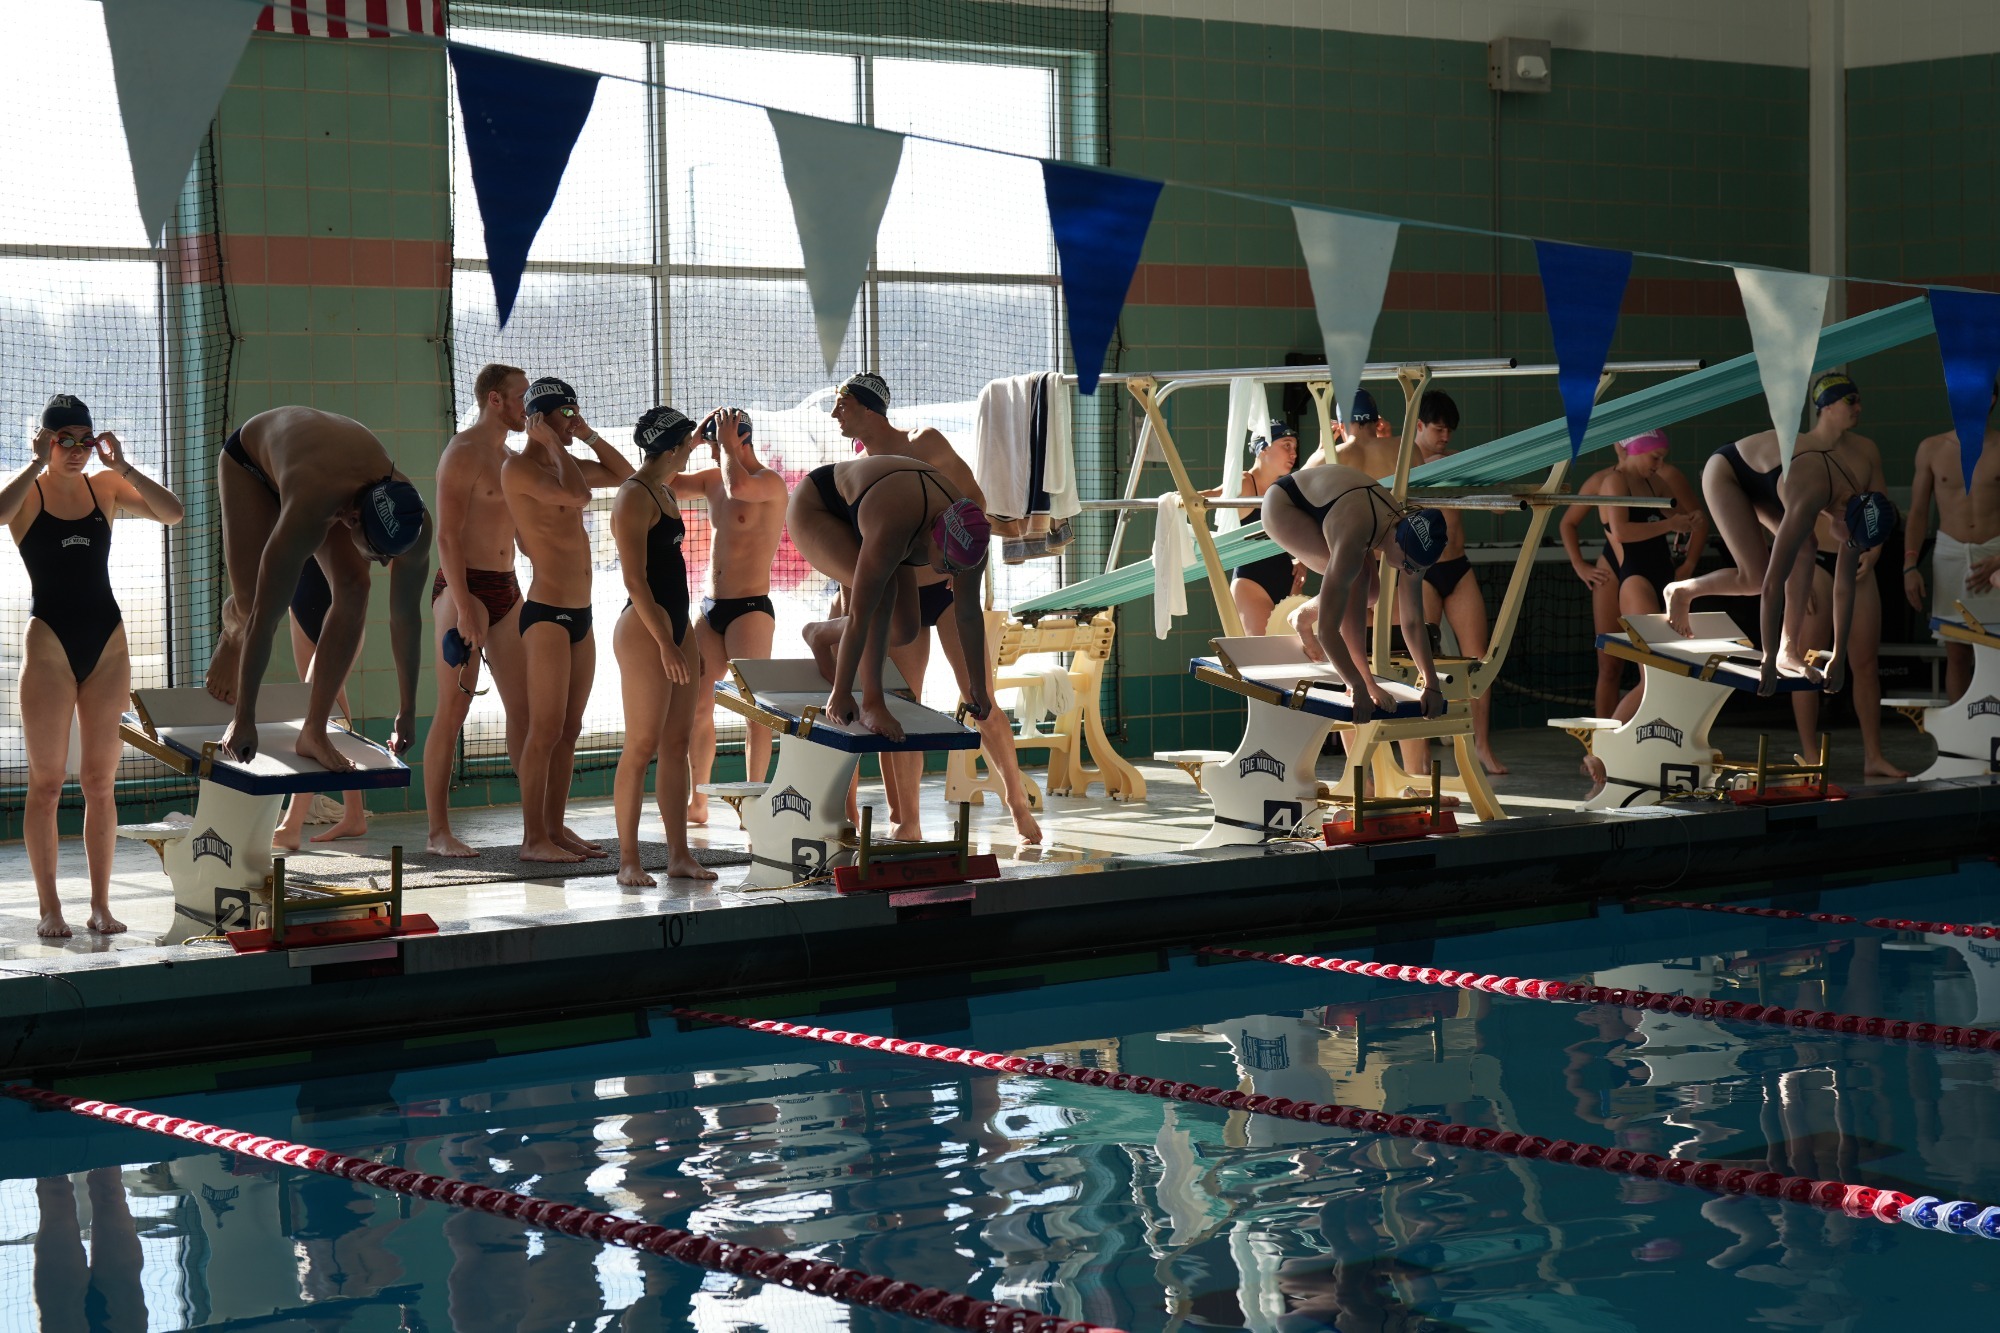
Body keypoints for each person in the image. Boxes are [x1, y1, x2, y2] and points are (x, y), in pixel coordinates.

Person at [1, 395, 183, 937]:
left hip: (108, 644)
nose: (78, 450)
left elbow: (172, 513)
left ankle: (101, 905)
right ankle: (49, 908)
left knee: (101, 782)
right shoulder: (28, 492)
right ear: (45, 441)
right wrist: (34, 463)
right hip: (49, 645)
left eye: (86, 439)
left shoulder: (104, 486)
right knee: (47, 784)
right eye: (65, 440)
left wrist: (122, 465)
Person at [835, 373, 1039, 842]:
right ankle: (907, 821)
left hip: (947, 592)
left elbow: (976, 503)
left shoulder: (924, 443)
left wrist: (957, 559)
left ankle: (1016, 799)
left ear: (868, 407)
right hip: (898, 595)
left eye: (842, 404)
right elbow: (856, 554)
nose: (834, 415)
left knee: (980, 699)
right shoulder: (856, 469)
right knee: (901, 709)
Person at [204, 406, 429, 769]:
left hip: (320, 461)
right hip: (252, 464)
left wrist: (408, 709)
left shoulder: (413, 521)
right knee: (251, 605)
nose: (384, 563)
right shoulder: (311, 507)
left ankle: (314, 730)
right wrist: (243, 718)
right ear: (351, 518)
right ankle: (231, 634)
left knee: (355, 587)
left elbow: (406, 618)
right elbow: (266, 616)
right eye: (377, 552)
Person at [502, 377, 636, 863]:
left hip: (581, 613)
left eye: (575, 412)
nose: (572, 421)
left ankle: (556, 830)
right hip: (546, 615)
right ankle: (533, 838)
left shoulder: (567, 463)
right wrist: (554, 446)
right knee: (544, 729)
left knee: (570, 729)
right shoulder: (518, 469)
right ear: (539, 420)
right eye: (565, 414)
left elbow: (625, 475)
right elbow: (578, 497)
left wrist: (589, 435)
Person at [787, 443, 994, 741]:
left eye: (960, 569)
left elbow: (969, 614)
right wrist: (842, 692)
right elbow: (861, 614)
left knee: (904, 628)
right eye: (949, 565)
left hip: (882, 509)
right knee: (882, 596)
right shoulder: (895, 523)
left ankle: (820, 633)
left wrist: (979, 686)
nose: (952, 574)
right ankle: (872, 704)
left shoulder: (971, 539)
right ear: (933, 537)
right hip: (820, 507)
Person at [424, 363, 533, 857]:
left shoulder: (511, 458)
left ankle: (538, 828)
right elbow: (447, 536)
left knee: (525, 710)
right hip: (462, 586)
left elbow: (523, 538)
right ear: (495, 399)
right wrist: (465, 607)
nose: (527, 406)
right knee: (454, 709)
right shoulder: (463, 452)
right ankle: (438, 833)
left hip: (507, 587)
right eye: (521, 397)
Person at [612, 408, 718, 888]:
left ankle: (679, 856)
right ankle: (628, 861)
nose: (689, 450)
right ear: (671, 449)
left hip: (676, 625)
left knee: (677, 743)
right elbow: (635, 581)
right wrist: (665, 643)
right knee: (641, 745)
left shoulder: (664, 489)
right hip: (643, 629)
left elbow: (671, 575)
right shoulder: (634, 495)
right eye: (686, 444)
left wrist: (685, 639)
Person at [1260, 462, 1448, 727]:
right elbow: (1327, 630)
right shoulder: (1355, 532)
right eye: (1408, 565)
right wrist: (1359, 685)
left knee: (1371, 594)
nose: (1410, 572)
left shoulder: (1411, 543)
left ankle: (1302, 616)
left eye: (1417, 568)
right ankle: (1361, 676)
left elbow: (1413, 621)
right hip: (1286, 503)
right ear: (1396, 539)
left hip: (1338, 501)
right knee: (1357, 579)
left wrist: (1431, 683)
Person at [1756, 375, 1899, 714]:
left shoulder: (1866, 450)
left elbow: (1880, 508)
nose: (1859, 407)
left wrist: (1875, 552)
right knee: (1807, 656)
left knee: (1865, 661)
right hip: (1814, 561)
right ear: (1827, 406)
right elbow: (1777, 515)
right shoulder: (1799, 448)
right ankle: (1808, 746)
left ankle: (1872, 746)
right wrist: (1796, 576)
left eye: (1859, 399)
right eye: (1851, 400)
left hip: (1855, 559)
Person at [674, 407, 787, 826]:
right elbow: (663, 482)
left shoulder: (768, 482)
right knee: (697, 707)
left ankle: (752, 804)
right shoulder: (711, 478)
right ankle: (698, 801)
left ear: (739, 440)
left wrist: (725, 447)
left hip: (750, 610)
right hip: (710, 608)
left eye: (718, 442)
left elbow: (737, 485)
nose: (713, 450)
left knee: (754, 712)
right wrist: (690, 444)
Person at [1407, 391, 1506, 774]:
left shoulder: (1454, 461)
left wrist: (1493, 493)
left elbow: (1491, 499)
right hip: (1422, 572)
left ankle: (1482, 746)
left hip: (1458, 568)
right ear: (1419, 426)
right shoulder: (1407, 464)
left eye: (1450, 430)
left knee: (1479, 661)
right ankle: (1419, 756)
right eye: (1438, 429)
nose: (1445, 437)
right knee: (1420, 663)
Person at [1904, 387, 2000, 703]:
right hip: (1950, 555)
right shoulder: (1931, 449)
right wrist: (1909, 565)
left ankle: (1992, 727)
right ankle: (1962, 727)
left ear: (1990, 399)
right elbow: (1918, 513)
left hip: (1995, 553)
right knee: (1957, 652)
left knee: (1995, 651)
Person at [273, 556, 368, 851]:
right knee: (331, 712)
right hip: (299, 605)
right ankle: (354, 814)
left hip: (339, 611)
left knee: (311, 716)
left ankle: (291, 824)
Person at [1600, 429, 1706, 617]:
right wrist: (1670, 525)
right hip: (1637, 579)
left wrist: (1694, 519)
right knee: (1648, 637)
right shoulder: (1614, 481)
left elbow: (1683, 518)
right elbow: (1621, 532)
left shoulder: (1655, 482)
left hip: (1666, 573)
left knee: (1677, 637)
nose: (1660, 464)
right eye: (1655, 457)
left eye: (1663, 458)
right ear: (1636, 451)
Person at [1213, 421, 1304, 635]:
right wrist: (1175, 500)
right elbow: (1206, 497)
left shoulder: (1286, 489)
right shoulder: (1245, 482)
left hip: (1289, 579)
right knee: (1264, 651)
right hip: (1251, 584)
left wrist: (1303, 559)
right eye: (1287, 445)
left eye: (1295, 447)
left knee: (1292, 652)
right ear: (1264, 448)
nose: (1293, 453)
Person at [1558, 454, 1626, 719]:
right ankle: (1602, 740)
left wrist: (1687, 565)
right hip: (1612, 571)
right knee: (1609, 665)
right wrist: (1579, 564)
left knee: (1654, 669)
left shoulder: (1661, 476)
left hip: (1647, 572)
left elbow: (1695, 519)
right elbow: (1568, 522)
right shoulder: (1601, 480)